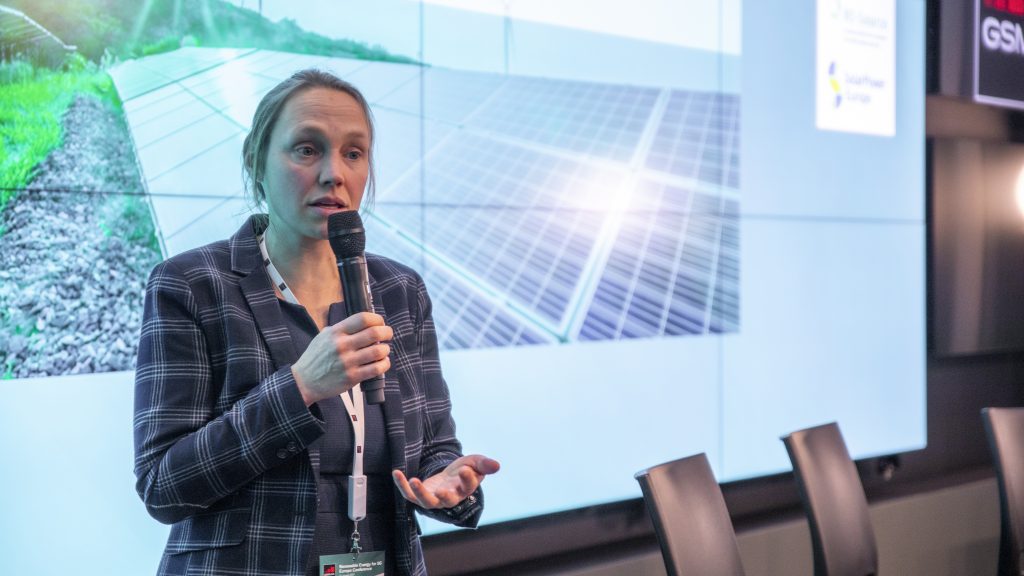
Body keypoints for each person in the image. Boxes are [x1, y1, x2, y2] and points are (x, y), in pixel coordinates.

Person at [133, 68, 499, 576]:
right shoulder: (192, 285)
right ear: (256, 162)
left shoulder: (401, 291)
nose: (335, 173)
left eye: (354, 152)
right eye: (307, 149)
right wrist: (299, 387)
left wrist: (446, 482)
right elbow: (163, 486)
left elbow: (434, 446)